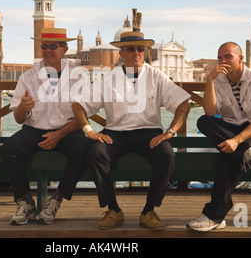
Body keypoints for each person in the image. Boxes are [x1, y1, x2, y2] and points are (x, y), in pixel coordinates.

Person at [72, 31, 191, 230]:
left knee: (167, 155)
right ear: (121, 53)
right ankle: (113, 209)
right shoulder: (107, 78)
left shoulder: (157, 76)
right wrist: (89, 131)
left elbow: (183, 103)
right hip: (115, 133)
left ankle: (149, 210)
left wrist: (170, 131)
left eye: (140, 49)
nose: (136, 52)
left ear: (144, 52)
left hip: (150, 132)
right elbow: (78, 105)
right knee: (95, 154)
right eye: (130, 49)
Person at [187, 42, 251, 232]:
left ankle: (214, 216)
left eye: (228, 56)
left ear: (240, 58)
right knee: (204, 122)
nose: (223, 61)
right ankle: (247, 154)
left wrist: (237, 141)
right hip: (235, 132)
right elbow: (209, 111)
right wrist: (209, 81)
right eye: (220, 57)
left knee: (227, 155)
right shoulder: (218, 81)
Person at [2, 28, 91, 225]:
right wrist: (23, 109)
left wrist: (58, 135)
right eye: (44, 46)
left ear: (65, 49)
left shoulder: (79, 77)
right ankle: (26, 202)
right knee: (10, 148)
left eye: (53, 46)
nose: (47, 50)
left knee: (84, 148)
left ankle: (56, 200)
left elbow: (84, 117)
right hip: (34, 130)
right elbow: (18, 118)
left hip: (68, 131)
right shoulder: (28, 77)